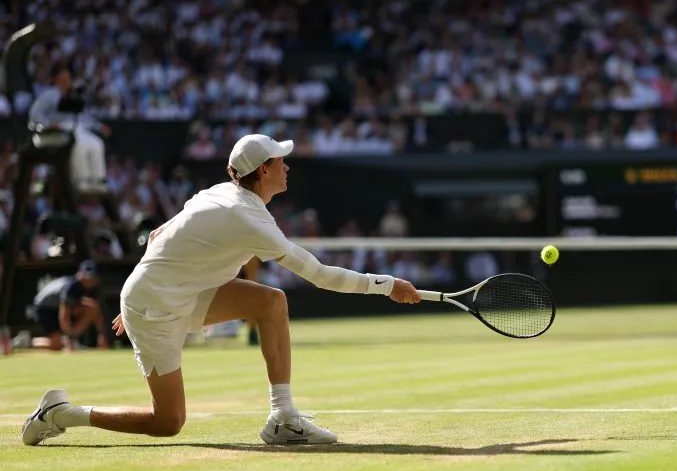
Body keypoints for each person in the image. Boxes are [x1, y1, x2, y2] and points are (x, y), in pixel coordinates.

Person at [21, 134, 422, 447]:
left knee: (271, 302)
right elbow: (319, 275)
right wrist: (387, 286)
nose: (287, 166)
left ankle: (282, 417)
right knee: (168, 422)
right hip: (156, 307)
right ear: (263, 171)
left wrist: (143, 291)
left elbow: (160, 234)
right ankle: (61, 413)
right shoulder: (247, 217)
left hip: (169, 295)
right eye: (280, 160)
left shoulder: (220, 193)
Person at [28, 65, 111, 194]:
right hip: (58, 130)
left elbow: (83, 116)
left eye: (68, 78)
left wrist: (98, 126)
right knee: (79, 145)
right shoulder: (49, 95)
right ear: (56, 79)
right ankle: (82, 181)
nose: (67, 81)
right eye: (63, 78)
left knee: (96, 143)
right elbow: (34, 113)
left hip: (77, 127)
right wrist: (48, 124)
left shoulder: (73, 95)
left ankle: (98, 181)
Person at [29, 260, 110, 351]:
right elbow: (64, 314)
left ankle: (72, 339)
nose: (88, 280)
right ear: (79, 274)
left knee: (92, 307)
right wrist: (69, 337)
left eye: (92, 277)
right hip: (44, 309)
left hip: (58, 308)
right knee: (57, 345)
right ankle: (27, 342)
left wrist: (102, 334)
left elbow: (95, 309)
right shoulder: (71, 287)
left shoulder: (92, 288)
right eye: (86, 276)